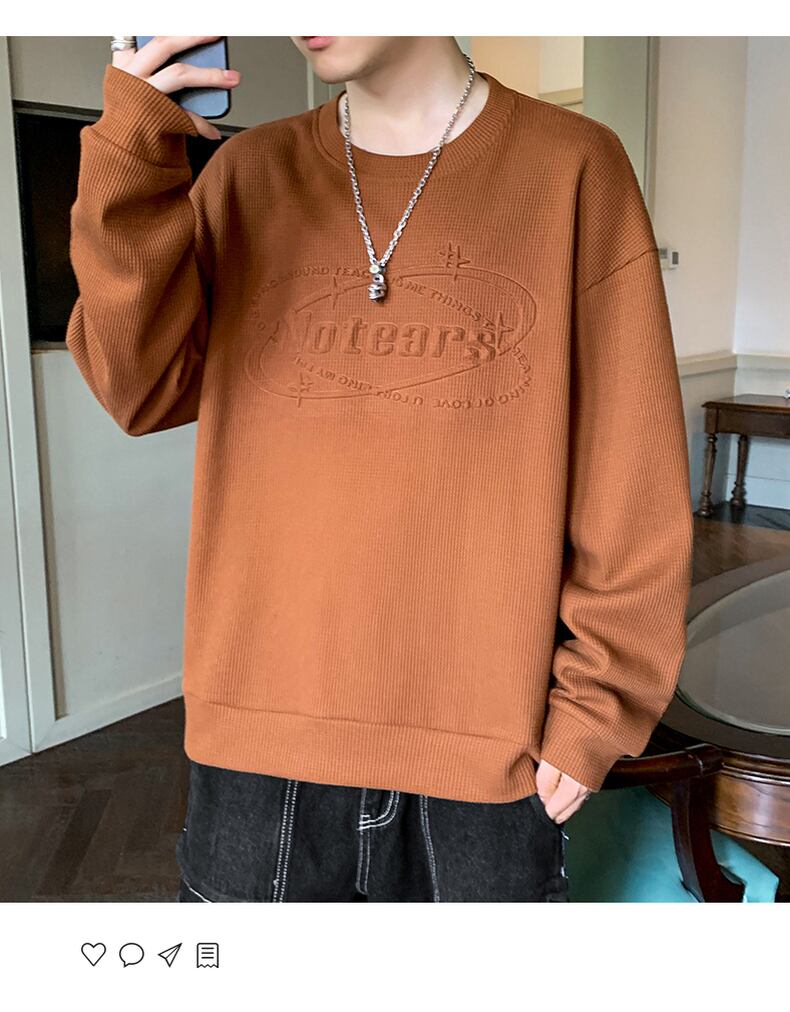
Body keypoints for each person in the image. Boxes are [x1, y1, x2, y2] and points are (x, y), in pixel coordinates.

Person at [65, 35, 694, 902]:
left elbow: (632, 474)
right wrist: (133, 154)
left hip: (490, 751)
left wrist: (596, 708)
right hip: (258, 748)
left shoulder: (573, 169)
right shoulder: (247, 174)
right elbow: (137, 389)